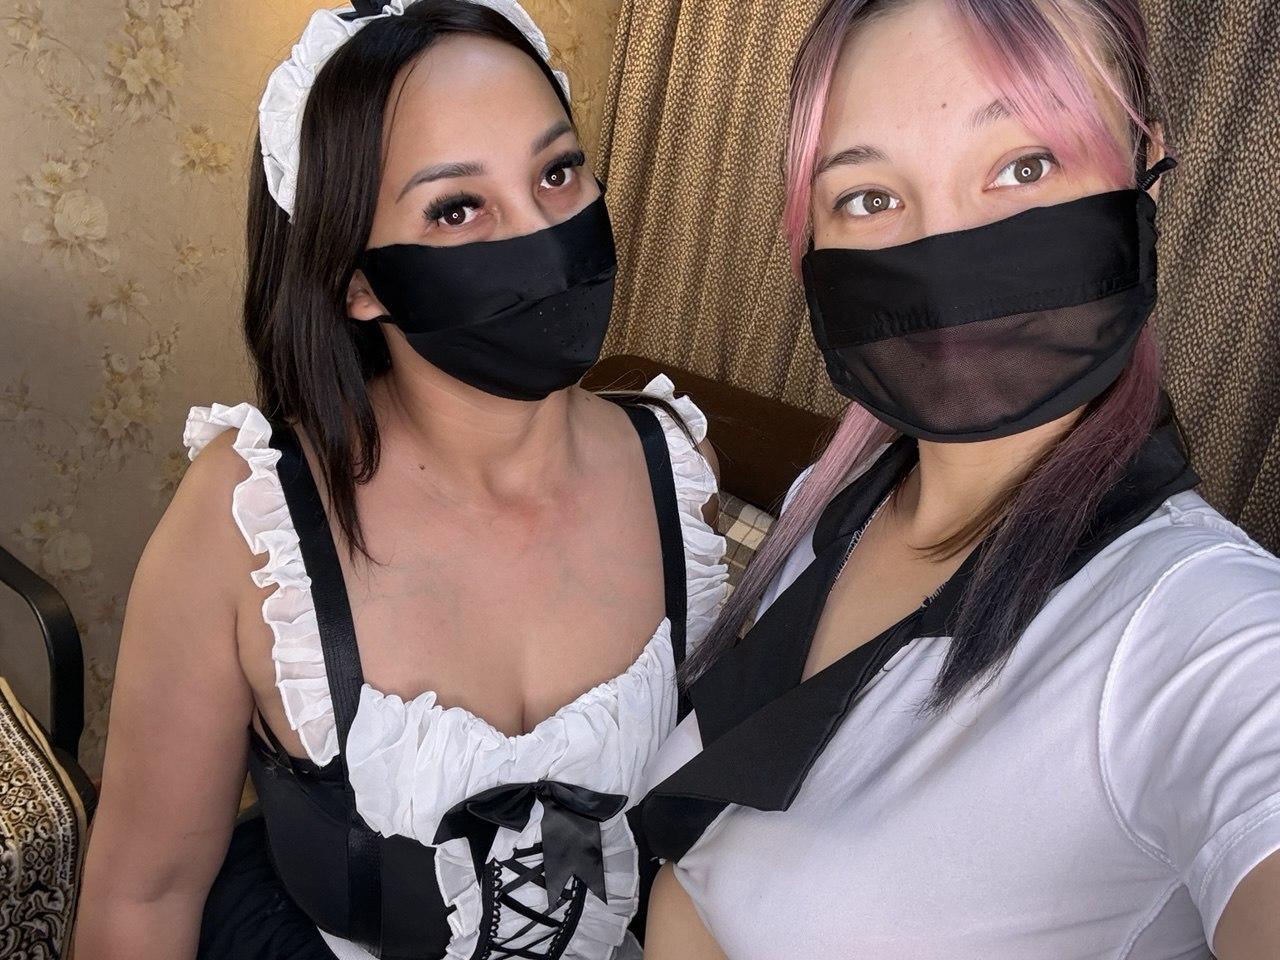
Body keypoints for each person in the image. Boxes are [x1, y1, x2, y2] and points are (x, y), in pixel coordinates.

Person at [74, 2, 728, 958]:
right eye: (457, 208)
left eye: (557, 172)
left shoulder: (680, 471)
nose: (545, 240)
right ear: (359, 282)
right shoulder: (245, 522)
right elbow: (143, 895)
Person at [636, 1, 1280, 957]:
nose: (943, 253)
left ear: (1144, 164)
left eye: (1025, 165)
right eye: (869, 197)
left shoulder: (1204, 630)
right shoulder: (830, 504)